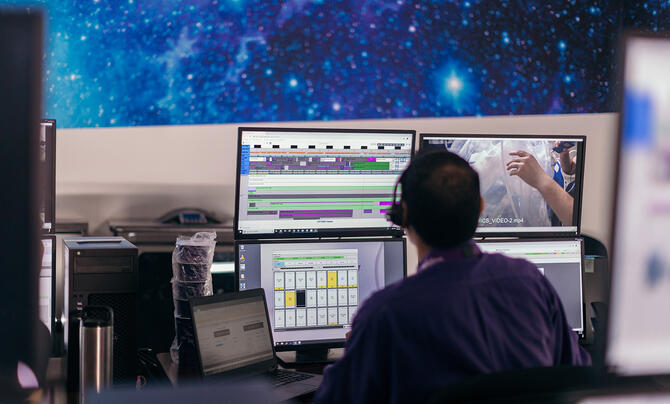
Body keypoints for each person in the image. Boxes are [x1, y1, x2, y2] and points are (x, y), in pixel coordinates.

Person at [314, 150, 590, 404]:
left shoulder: (383, 315)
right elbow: (578, 374)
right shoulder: (530, 283)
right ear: (480, 207)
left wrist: (359, 349)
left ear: (404, 216)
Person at [506, 142, 577, 226]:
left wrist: (540, 178)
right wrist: (566, 164)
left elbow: (577, 221)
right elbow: (571, 170)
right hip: (556, 209)